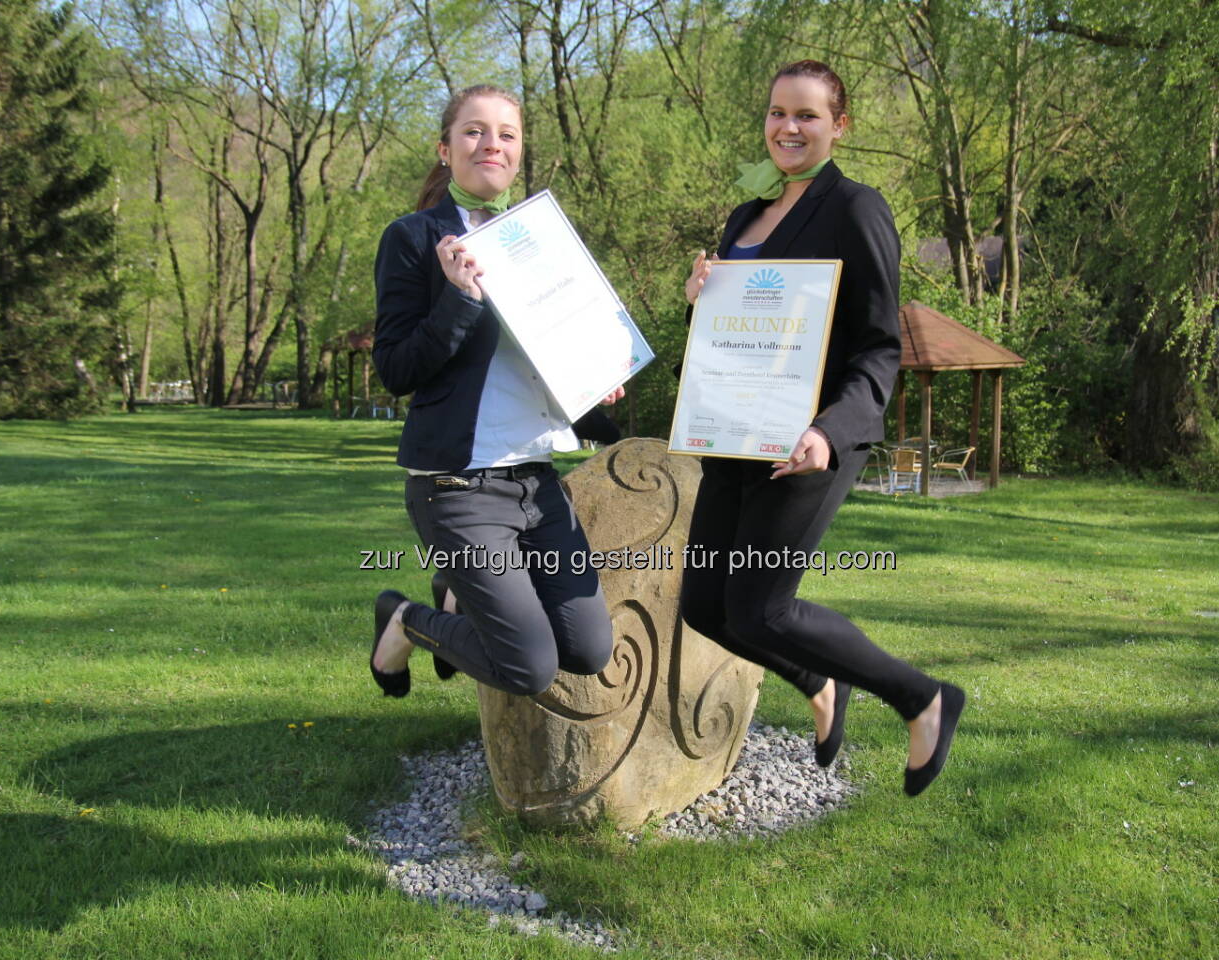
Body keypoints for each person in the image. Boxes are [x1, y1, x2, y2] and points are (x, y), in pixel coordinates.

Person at [679, 61, 965, 795]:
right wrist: (699, 304)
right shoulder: (746, 215)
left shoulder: (856, 208)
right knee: (709, 606)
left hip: (808, 444)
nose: (788, 128)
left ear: (839, 126)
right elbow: (738, 333)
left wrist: (832, 432)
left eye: (807, 115)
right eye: (778, 113)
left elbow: (878, 344)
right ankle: (818, 682)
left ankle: (924, 699)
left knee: (763, 608)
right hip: (735, 434)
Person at [368, 84, 622, 700]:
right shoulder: (413, 238)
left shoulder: (542, 240)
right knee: (528, 668)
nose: (492, 144)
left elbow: (551, 350)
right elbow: (397, 370)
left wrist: (596, 376)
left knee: (588, 650)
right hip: (458, 485)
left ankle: (456, 590)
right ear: (446, 149)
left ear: (519, 150)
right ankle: (405, 621)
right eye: (475, 131)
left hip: (534, 479)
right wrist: (458, 298)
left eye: (507, 134)